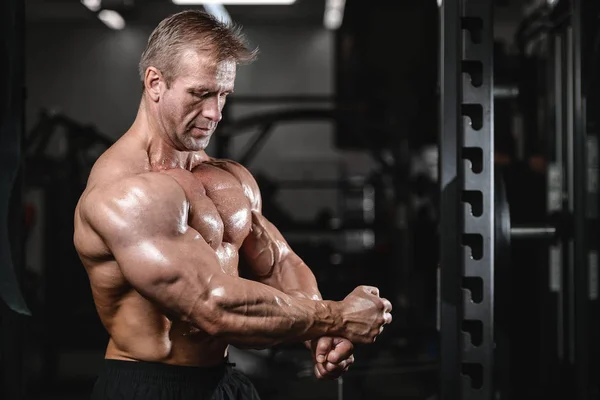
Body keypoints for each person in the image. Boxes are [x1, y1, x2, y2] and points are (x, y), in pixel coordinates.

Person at [74, 10, 392, 400]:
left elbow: (278, 263)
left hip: (223, 381)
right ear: (155, 82)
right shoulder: (128, 191)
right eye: (200, 93)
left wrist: (319, 335)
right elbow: (212, 307)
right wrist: (337, 317)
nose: (215, 113)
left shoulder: (226, 177)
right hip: (151, 385)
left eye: (223, 94)